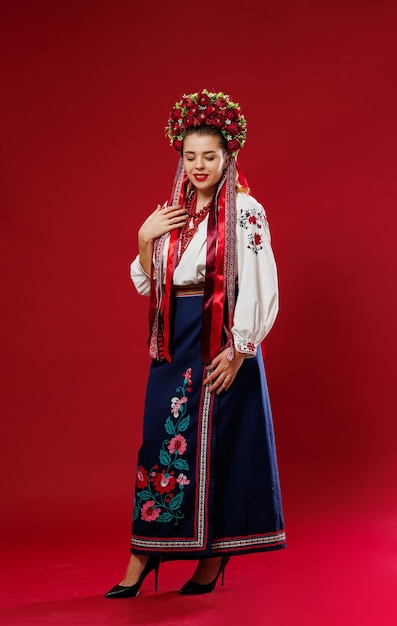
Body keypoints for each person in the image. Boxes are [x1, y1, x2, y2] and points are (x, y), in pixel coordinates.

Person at [105, 89, 286, 598]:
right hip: (175, 339)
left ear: (228, 155)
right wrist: (145, 239)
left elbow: (259, 282)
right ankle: (145, 551)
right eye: (190, 157)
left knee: (223, 448)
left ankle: (211, 558)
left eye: (209, 156)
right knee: (162, 445)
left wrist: (241, 348)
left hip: (222, 337)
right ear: (179, 157)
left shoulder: (246, 211)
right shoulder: (173, 213)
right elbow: (148, 283)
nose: (199, 166)